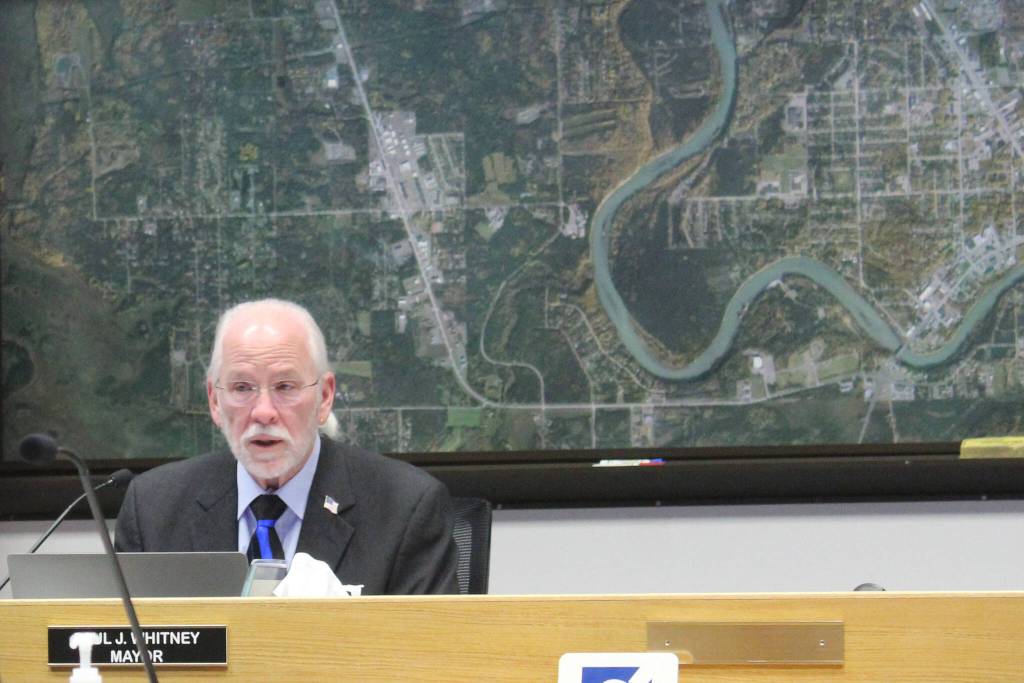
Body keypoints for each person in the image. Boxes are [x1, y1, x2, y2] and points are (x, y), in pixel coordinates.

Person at [115, 298, 459, 594]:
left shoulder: (405, 508)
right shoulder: (153, 510)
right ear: (214, 402)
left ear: (324, 398)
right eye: (242, 388)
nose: (263, 412)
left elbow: (432, 662)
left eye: (284, 386)